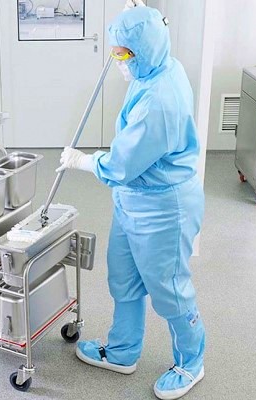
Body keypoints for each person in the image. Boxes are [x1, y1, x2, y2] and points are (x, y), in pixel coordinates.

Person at [56, 3, 206, 400]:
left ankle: (191, 361)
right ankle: (122, 351)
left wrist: (84, 161)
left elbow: (122, 164)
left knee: (169, 289)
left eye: (123, 54)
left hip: (164, 207)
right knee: (123, 277)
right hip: (133, 199)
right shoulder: (157, 65)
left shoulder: (160, 99)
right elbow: (145, 37)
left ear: (144, 50)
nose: (117, 61)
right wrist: (139, 22)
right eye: (115, 52)